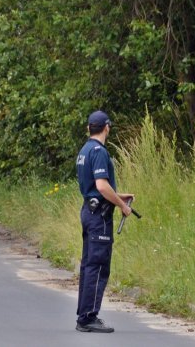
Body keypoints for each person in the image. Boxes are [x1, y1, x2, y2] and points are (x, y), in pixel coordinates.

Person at [75, 110, 133, 333]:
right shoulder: (99, 151)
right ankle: (88, 317)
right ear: (106, 127)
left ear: (89, 127)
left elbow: (94, 188)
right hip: (99, 216)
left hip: (89, 210)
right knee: (98, 266)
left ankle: (84, 314)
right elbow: (101, 186)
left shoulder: (85, 150)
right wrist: (122, 205)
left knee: (89, 264)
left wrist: (119, 196)